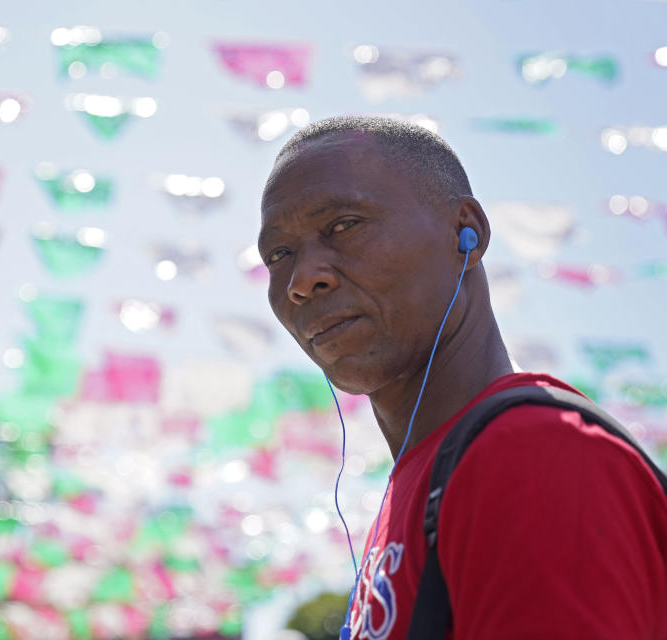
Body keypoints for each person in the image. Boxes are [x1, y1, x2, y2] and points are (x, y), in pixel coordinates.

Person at [258, 115, 667, 639]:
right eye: (278, 255)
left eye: (344, 225)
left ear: (465, 232)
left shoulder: (533, 454)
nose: (302, 279)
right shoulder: (431, 476)